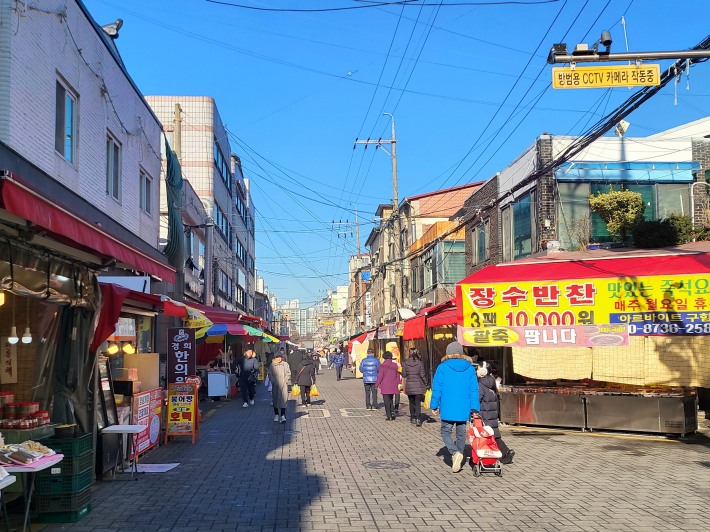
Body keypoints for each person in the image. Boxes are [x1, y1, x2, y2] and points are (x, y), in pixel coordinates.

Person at [430, 341, 480, 474]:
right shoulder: (469, 368)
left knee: (445, 431)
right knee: (461, 433)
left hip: (447, 406)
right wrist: (475, 408)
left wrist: (434, 405)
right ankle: (459, 458)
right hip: (464, 407)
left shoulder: (442, 367)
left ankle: (454, 453)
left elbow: (437, 388)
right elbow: (474, 389)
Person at [478, 361, 514, 464]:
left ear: (483, 371)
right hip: (492, 413)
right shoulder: (491, 382)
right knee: (495, 435)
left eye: (478, 369)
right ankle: (506, 452)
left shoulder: (481, 384)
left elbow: (477, 399)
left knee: (488, 436)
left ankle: (498, 454)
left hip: (485, 414)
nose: (477, 371)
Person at [401, 347, 427, 427]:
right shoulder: (419, 363)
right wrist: (426, 383)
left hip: (409, 385)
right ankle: (418, 419)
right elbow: (422, 375)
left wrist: (400, 372)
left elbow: (404, 375)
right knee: (417, 403)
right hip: (418, 385)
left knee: (411, 402)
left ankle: (412, 417)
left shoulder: (405, 363)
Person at [375, 351, 401, 421]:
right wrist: (399, 383)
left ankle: (389, 415)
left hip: (385, 385)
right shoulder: (395, 365)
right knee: (391, 399)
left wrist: (376, 385)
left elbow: (380, 376)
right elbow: (397, 375)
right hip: (393, 384)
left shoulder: (383, 365)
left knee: (386, 401)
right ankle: (392, 412)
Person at [268, 350, 291, 423]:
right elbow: (270, 374)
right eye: (277, 357)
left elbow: (288, 373)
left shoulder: (285, 364)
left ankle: (283, 415)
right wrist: (273, 381)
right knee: (275, 400)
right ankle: (276, 414)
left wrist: (286, 380)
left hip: (283, 385)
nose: (279, 359)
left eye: (280, 357)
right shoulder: (272, 365)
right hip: (276, 385)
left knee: (283, 400)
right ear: (274, 358)